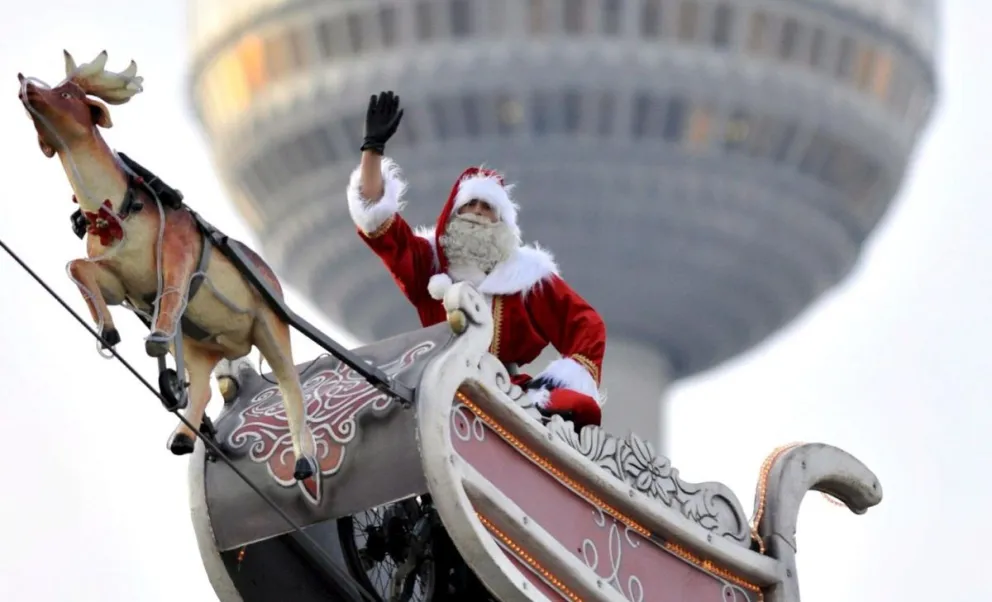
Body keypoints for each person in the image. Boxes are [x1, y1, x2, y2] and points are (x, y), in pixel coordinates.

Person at [345, 91, 606, 429]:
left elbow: (585, 323)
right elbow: (382, 228)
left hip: (508, 395)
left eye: (487, 207)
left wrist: (564, 379)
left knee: (576, 406)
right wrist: (373, 149)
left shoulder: (527, 279)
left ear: (502, 221)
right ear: (453, 215)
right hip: (437, 386)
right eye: (470, 205)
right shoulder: (428, 263)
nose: (478, 213)